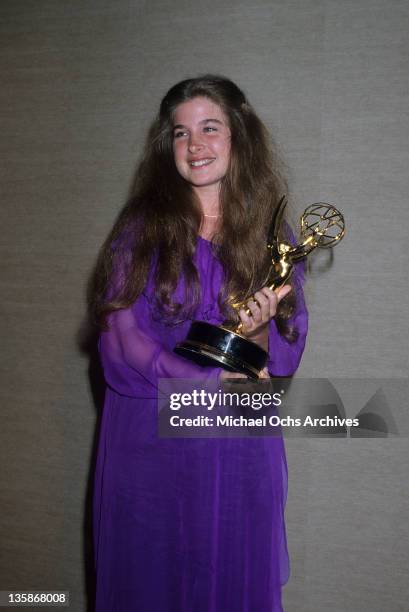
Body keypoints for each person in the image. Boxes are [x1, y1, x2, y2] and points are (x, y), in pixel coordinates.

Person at [91, 75, 308, 612]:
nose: (194, 145)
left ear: (239, 136)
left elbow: (284, 351)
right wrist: (199, 382)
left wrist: (257, 334)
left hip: (238, 443)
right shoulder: (141, 228)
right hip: (153, 441)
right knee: (154, 580)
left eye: (209, 128)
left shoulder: (274, 236)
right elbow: (121, 339)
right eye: (181, 133)